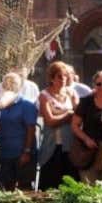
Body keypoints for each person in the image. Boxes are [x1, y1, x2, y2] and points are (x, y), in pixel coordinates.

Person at [36, 61, 77, 190]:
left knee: (69, 183)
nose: (63, 79)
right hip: (51, 146)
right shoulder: (44, 95)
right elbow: (50, 121)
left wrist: (67, 115)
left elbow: (78, 115)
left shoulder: (71, 93)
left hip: (69, 146)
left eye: (65, 76)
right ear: (52, 78)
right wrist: (68, 114)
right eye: (59, 76)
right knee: (50, 183)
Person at [0, 72, 38, 191]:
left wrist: (27, 151)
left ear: (18, 87)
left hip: (22, 153)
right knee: (5, 187)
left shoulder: (26, 105)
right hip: (5, 153)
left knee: (25, 186)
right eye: (6, 84)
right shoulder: (1, 106)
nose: (9, 86)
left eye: (12, 84)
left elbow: (31, 129)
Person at [71, 70, 102, 184]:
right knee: (89, 184)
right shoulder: (86, 102)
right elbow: (75, 125)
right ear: (94, 85)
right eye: (98, 84)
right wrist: (86, 139)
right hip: (89, 149)